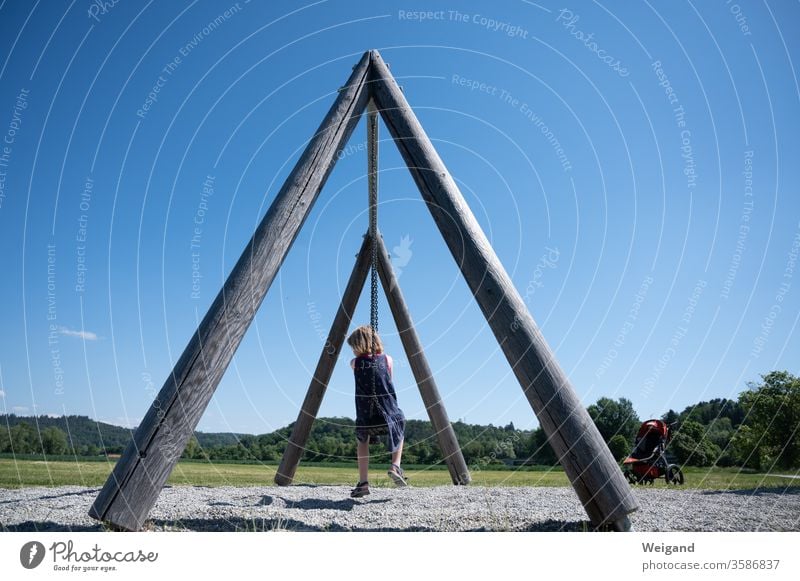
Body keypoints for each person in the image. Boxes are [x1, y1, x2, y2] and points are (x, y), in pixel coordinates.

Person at [346, 325, 407, 497]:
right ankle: (395, 465)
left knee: (362, 442)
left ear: (358, 346)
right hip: (388, 416)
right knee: (400, 425)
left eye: (353, 348)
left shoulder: (354, 363)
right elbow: (389, 381)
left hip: (366, 417)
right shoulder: (388, 360)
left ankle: (363, 483)